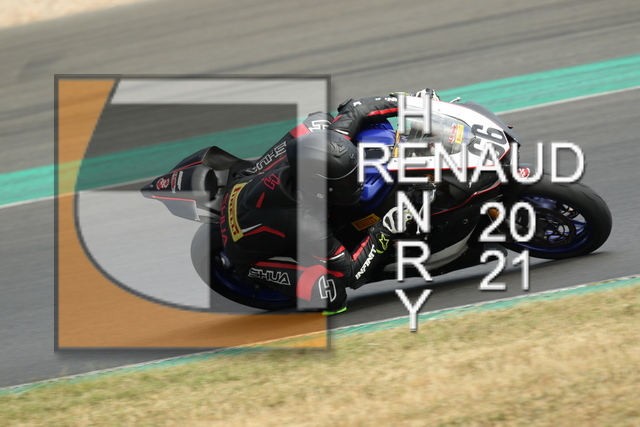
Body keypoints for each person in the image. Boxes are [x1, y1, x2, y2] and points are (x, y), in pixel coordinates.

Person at [219, 90, 437, 314]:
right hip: (246, 252)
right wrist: (386, 228)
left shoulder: (316, 141)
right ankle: (254, 271)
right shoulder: (308, 224)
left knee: (320, 121)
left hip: (244, 182)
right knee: (333, 295)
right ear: (323, 187)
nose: (358, 181)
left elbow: (357, 108)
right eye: (348, 180)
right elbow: (352, 274)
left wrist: (414, 103)